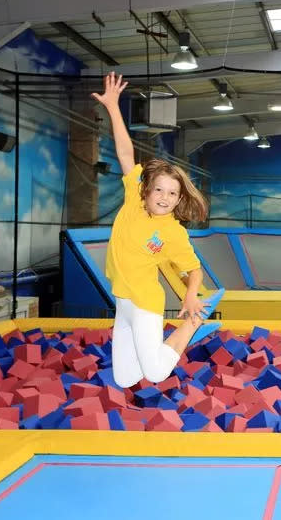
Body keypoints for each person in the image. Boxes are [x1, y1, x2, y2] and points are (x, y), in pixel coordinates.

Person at [92, 72, 224, 387]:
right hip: (122, 302)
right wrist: (112, 106)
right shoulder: (133, 199)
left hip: (146, 302)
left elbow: (194, 270)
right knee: (125, 380)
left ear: (179, 199)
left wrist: (191, 299)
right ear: (147, 190)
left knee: (155, 373)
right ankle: (169, 339)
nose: (164, 198)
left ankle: (191, 326)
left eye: (172, 193)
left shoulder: (174, 232)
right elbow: (125, 153)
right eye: (159, 190)